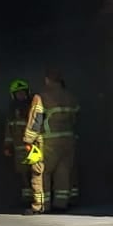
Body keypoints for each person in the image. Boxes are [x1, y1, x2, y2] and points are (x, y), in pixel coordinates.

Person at [35, 68, 80, 211]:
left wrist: (28, 140)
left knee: (43, 173)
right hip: (68, 140)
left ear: (47, 80)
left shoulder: (41, 97)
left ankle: (43, 205)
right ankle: (61, 204)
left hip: (49, 142)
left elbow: (36, 120)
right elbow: (77, 118)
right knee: (64, 172)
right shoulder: (70, 97)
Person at [5, 80, 47, 213]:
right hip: (18, 149)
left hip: (33, 147)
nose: (21, 95)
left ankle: (38, 202)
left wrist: (29, 141)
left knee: (35, 173)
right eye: (18, 93)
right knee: (23, 175)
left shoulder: (32, 107)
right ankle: (27, 199)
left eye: (23, 93)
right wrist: (7, 145)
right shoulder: (11, 110)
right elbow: (8, 130)